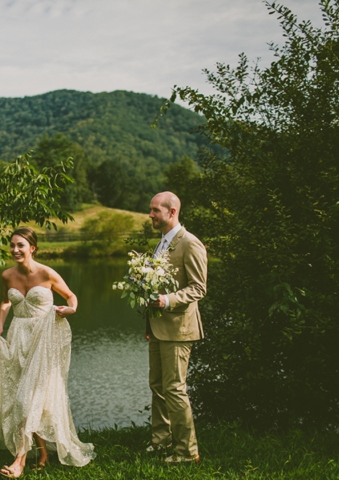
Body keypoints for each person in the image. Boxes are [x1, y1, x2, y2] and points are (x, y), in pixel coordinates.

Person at [0, 227, 95, 478]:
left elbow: (71, 296)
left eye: (20, 245)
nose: (15, 250)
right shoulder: (7, 275)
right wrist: (0, 325)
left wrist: (70, 309)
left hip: (44, 338)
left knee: (26, 399)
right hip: (19, 336)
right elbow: (6, 301)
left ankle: (18, 460)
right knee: (29, 396)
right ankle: (42, 454)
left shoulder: (47, 273)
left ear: (32, 248)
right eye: (11, 245)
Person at [145, 191, 207, 464]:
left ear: (172, 212)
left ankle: (186, 451)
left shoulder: (190, 243)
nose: (151, 215)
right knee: (157, 385)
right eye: (151, 210)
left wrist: (168, 300)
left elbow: (198, 287)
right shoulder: (161, 244)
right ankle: (161, 440)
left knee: (174, 388)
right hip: (159, 327)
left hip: (179, 328)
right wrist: (149, 321)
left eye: (155, 210)